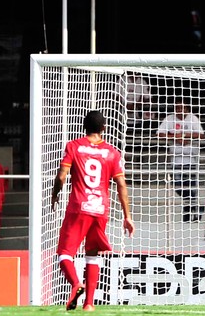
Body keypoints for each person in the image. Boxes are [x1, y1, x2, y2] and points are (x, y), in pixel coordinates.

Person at [51, 110, 135, 312]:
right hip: (100, 210)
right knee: (92, 254)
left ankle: (75, 283)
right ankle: (89, 304)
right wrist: (127, 216)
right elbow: (121, 185)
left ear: (84, 127)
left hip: (79, 207)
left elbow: (62, 176)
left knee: (65, 253)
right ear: (104, 128)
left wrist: (55, 194)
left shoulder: (74, 146)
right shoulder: (112, 153)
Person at [156, 97, 205, 222]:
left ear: (187, 109)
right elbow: (159, 133)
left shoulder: (193, 118)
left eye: (182, 108)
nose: (179, 110)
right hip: (176, 159)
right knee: (178, 186)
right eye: (177, 108)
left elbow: (201, 134)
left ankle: (188, 211)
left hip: (191, 159)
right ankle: (194, 207)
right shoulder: (170, 119)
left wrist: (184, 135)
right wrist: (174, 137)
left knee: (190, 186)